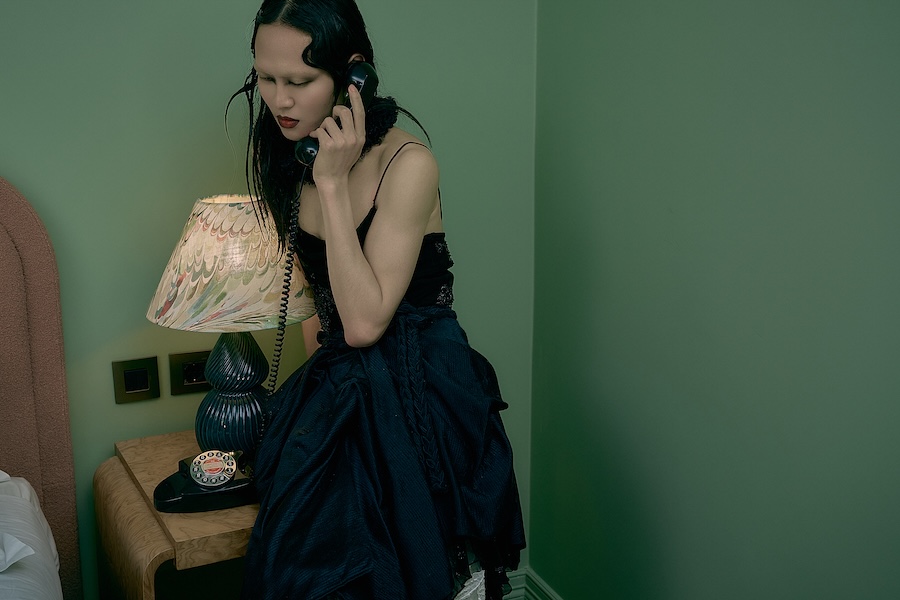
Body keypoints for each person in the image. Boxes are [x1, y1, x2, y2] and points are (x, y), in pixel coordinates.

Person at [229, 1, 525, 598]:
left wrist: (331, 185)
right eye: (266, 78)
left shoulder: (409, 165)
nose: (280, 101)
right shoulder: (286, 150)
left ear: (352, 74)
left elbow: (364, 322)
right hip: (342, 385)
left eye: (300, 81)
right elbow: (320, 307)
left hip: (421, 393)